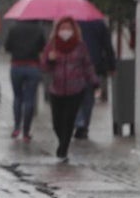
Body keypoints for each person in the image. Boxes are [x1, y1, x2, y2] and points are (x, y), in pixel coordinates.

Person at [40, 16, 98, 160]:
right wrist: (49, 60)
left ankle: (63, 149)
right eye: (63, 28)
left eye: (68, 28)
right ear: (57, 30)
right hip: (57, 89)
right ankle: (62, 142)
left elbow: (87, 65)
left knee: (69, 120)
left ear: (74, 30)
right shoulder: (52, 45)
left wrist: (94, 81)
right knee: (56, 123)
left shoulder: (80, 46)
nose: (65, 31)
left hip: (75, 89)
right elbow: (44, 67)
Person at [4, 19, 47, 143]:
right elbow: (43, 48)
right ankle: (26, 132)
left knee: (17, 97)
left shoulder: (13, 29)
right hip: (32, 67)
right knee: (29, 99)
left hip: (16, 66)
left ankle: (16, 127)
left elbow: (7, 47)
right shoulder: (39, 29)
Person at [74, 19, 116, 139]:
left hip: (75, 64)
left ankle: (79, 121)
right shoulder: (98, 22)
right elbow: (107, 45)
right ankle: (84, 124)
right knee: (88, 97)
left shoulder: (71, 22)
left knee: (75, 95)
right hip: (94, 64)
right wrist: (112, 65)